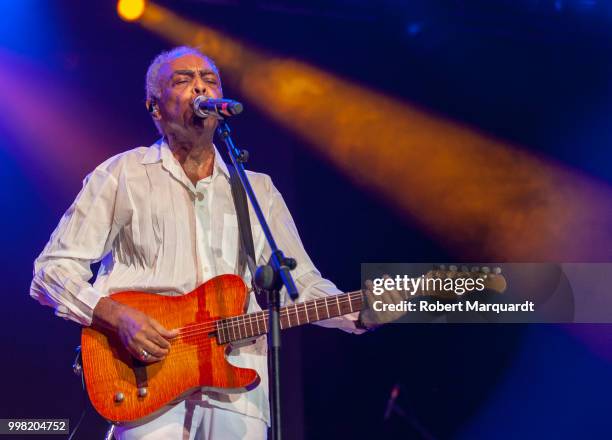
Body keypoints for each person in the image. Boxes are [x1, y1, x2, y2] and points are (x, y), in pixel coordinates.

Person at [30, 46, 400, 439]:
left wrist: (358, 312)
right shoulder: (122, 175)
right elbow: (51, 271)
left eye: (209, 80)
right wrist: (117, 317)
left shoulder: (256, 190)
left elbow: (299, 285)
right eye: (183, 80)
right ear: (156, 107)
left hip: (239, 389)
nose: (199, 87)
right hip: (145, 378)